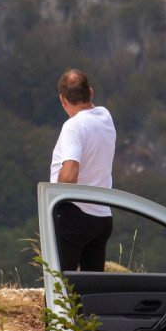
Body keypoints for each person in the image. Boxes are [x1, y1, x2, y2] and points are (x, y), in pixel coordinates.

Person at [49, 69, 116, 272]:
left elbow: (69, 175)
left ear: (63, 99)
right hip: (102, 214)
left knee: (59, 285)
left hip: (74, 215)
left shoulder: (74, 126)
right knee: (90, 289)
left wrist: (54, 204)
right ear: (91, 93)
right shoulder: (105, 117)